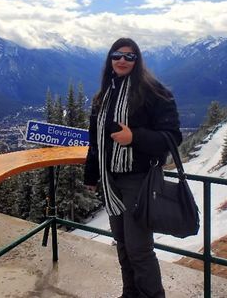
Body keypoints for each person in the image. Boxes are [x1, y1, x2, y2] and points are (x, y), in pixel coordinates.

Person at [84, 37, 182, 298]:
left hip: (139, 181)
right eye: (117, 55)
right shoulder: (104, 95)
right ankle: (130, 294)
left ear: (137, 61)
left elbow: (172, 137)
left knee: (139, 248)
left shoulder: (154, 93)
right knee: (124, 244)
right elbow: (95, 141)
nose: (122, 60)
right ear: (110, 59)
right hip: (110, 181)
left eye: (129, 56)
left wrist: (134, 137)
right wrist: (91, 175)